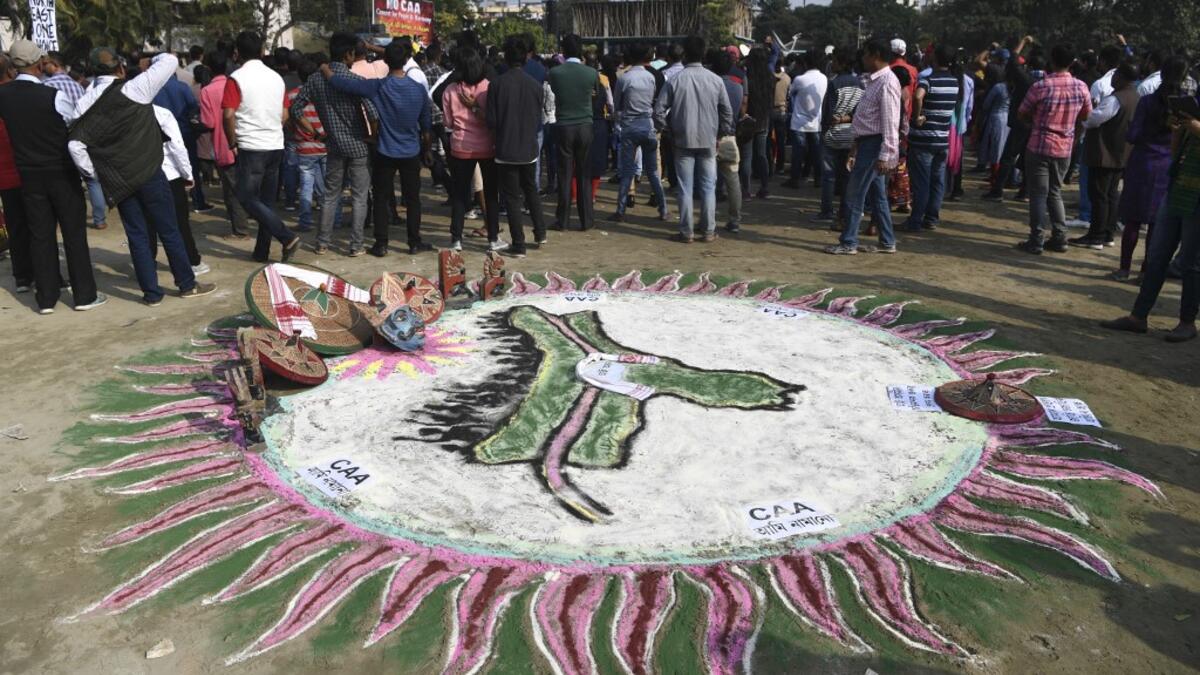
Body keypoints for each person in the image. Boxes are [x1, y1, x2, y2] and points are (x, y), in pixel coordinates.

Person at [69, 46, 215, 305]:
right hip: (149, 171)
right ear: (120, 67)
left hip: (118, 180)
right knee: (168, 229)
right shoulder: (136, 88)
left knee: (136, 234)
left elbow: (75, 145)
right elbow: (170, 60)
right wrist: (149, 60)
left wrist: (96, 174)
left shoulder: (83, 103)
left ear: (91, 71)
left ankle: (151, 293)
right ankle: (186, 284)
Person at [1100, 95, 1200, 343]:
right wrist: (1178, 130)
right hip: (1177, 190)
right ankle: (1138, 316)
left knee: (1191, 264)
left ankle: (1187, 322)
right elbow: (1176, 153)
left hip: (1198, 200)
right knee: (1157, 257)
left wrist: (1195, 126)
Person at [328, 38, 433, 257]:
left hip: (385, 150)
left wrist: (325, 70)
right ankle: (414, 241)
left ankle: (381, 244)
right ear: (406, 60)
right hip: (411, 150)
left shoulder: (378, 86)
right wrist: (428, 149)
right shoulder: (418, 89)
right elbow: (425, 124)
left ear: (385, 61)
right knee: (412, 199)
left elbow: (344, 84)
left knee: (382, 198)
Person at [290, 32, 376, 257]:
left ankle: (322, 243)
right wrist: (372, 136)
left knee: (330, 195)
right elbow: (373, 113)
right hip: (358, 145)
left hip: (333, 145)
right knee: (359, 197)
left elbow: (296, 109)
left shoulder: (315, 80)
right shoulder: (355, 81)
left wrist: (317, 134)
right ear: (349, 54)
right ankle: (356, 245)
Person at [222, 31, 299, 263]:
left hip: (252, 146)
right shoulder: (276, 77)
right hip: (275, 144)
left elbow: (227, 114)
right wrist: (271, 128)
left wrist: (232, 140)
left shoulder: (236, 78)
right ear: (262, 50)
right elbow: (285, 113)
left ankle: (286, 236)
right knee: (265, 203)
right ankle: (261, 251)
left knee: (246, 197)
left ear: (237, 52)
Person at [1112, 57, 1187, 280]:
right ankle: (1147, 270)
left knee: (1133, 221)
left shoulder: (1147, 102)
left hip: (1143, 162)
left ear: (1161, 74)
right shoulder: (1186, 104)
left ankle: (1124, 269)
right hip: (1168, 165)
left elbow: (1133, 134)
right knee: (1156, 224)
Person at [824, 38, 901, 256]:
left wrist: (887, 154)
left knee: (854, 194)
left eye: (866, 54)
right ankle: (887, 241)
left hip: (875, 144)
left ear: (875, 55)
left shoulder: (887, 82)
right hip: (868, 142)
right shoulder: (874, 81)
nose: (863, 59)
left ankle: (848, 242)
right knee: (877, 196)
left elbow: (890, 122)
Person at [1014, 44, 1092, 255]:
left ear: (1052, 60)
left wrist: (1035, 123)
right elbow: (1086, 116)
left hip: (1039, 144)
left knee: (1038, 194)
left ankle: (1036, 239)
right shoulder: (1081, 87)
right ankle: (1059, 236)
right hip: (1064, 147)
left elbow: (1022, 112)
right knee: (1054, 192)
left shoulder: (1041, 87)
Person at [654, 35, 733, 243]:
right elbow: (726, 111)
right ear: (703, 53)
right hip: (708, 140)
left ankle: (686, 231)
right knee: (708, 187)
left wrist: (667, 130)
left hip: (682, 139)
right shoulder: (715, 80)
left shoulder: (675, 79)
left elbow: (659, 110)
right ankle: (708, 231)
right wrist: (722, 133)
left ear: (686, 54)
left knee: (685, 187)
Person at [487, 34, 548, 257]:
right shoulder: (535, 85)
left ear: (505, 57)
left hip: (505, 148)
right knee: (531, 189)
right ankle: (540, 233)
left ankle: (519, 244)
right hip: (528, 146)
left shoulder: (497, 84)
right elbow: (537, 118)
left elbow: (491, 121)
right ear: (525, 58)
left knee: (512, 197)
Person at [1071, 63, 1139, 249]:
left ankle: (1096, 236)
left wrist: (1087, 111)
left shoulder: (1116, 99)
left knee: (1099, 195)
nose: (1113, 79)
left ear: (1123, 77)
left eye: (1116, 75)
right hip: (1120, 154)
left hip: (1104, 153)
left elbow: (1093, 120)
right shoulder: (1136, 96)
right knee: (1110, 195)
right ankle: (1107, 234)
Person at [443, 46, 503, 251]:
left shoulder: (450, 90)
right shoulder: (488, 87)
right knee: (491, 193)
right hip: (487, 146)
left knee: (460, 194)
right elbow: (493, 120)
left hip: (460, 146)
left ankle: (456, 239)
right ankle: (493, 238)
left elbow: (449, 123)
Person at [905, 44, 960, 232]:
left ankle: (915, 221)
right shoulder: (954, 82)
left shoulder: (928, 80)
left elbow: (918, 96)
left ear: (935, 59)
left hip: (923, 140)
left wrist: (917, 116)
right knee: (937, 182)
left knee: (921, 183)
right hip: (942, 140)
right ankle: (931, 218)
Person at [611, 42, 668, 223]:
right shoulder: (651, 77)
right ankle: (664, 209)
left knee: (627, 172)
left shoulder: (623, 78)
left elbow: (616, 104)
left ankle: (620, 210)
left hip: (629, 127)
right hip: (647, 125)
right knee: (652, 172)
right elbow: (653, 102)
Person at [548, 34, 600, 231]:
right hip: (585, 126)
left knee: (564, 174)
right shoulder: (591, 73)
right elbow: (595, 94)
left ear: (563, 50)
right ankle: (587, 220)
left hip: (564, 126)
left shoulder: (555, 72)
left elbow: (554, 92)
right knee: (584, 174)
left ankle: (563, 220)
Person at [199, 50, 251, 238]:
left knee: (231, 190)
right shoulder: (237, 84)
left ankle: (240, 229)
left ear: (209, 68)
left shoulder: (207, 91)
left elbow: (209, 122)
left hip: (224, 145)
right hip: (246, 140)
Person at [814, 47, 863, 226]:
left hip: (833, 135)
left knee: (829, 176)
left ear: (842, 63)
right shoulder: (859, 83)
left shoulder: (834, 83)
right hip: (850, 135)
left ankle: (827, 210)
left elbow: (828, 113)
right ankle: (844, 212)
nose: (832, 63)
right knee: (846, 177)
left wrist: (827, 127)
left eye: (834, 61)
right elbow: (859, 112)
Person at [284, 60, 327, 235]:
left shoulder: (292, 95)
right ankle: (333, 219)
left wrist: (296, 132)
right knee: (328, 187)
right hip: (325, 145)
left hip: (303, 146)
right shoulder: (323, 93)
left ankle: (305, 222)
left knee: (306, 187)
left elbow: (287, 119)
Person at [712, 49, 745, 233]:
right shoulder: (738, 87)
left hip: (710, 138)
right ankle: (735, 220)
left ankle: (707, 220)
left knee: (708, 181)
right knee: (733, 181)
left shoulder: (711, 85)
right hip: (730, 137)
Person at [783, 52, 827, 189]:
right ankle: (818, 178)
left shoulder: (800, 79)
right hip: (816, 121)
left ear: (805, 64)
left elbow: (791, 94)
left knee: (798, 153)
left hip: (799, 121)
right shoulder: (824, 78)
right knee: (816, 153)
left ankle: (795, 179)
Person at [741, 46, 774, 200]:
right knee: (762, 155)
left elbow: (745, 99)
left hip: (749, 120)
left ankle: (746, 191)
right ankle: (765, 187)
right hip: (764, 120)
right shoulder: (770, 78)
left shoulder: (747, 77)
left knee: (747, 156)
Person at [976, 65, 1010, 185]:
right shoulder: (1014, 87)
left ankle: (994, 177)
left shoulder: (998, 87)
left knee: (994, 147)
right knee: (1002, 147)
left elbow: (986, 104)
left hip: (995, 117)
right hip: (1008, 119)